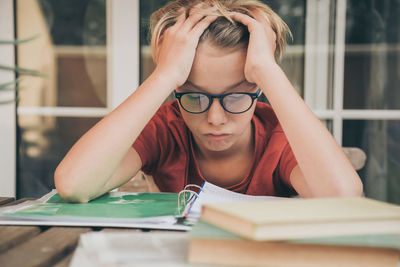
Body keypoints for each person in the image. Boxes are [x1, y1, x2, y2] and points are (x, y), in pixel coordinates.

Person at [54, 0, 363, 203]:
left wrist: (269, 70)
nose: (215, 118)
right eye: (193, 94)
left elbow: (344, 200)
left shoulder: (281, 137)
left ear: (259, 88)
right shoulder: (166, 128)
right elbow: (74, 184)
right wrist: (164, 76)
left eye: (238, 94)